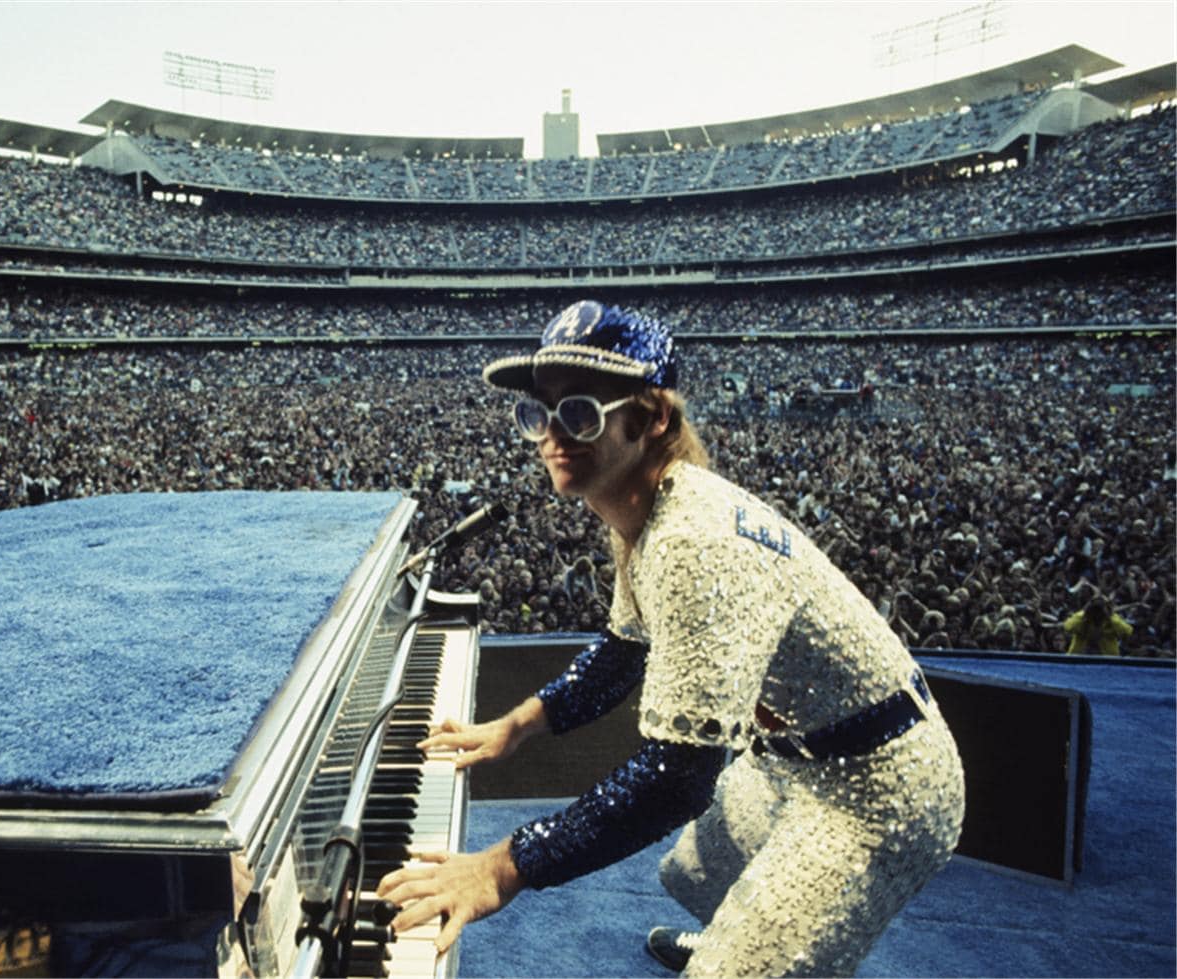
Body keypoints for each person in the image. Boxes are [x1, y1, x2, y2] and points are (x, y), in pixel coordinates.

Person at [378, 300, 966, 977]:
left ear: (651, 417)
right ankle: (744, 940)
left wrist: (506, 864)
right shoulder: (647, 506)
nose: (551, 436)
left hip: (881, 788)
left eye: (579, 412)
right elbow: (625, 647)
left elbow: (675, 780)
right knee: (690, 872)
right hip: (795, 758)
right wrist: (517, 725)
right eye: (540, 413)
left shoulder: (692, 540)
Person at [1062, 596, 1134, 655]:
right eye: (1094, 610)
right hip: (1080, 657)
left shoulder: (1112, 620)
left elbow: (1128, 631)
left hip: (1107, 659)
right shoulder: (1082, 618)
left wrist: (1110, 616)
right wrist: (1084, 613)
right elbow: (1067, 627)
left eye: (1099, 611)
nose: (1097, 614)